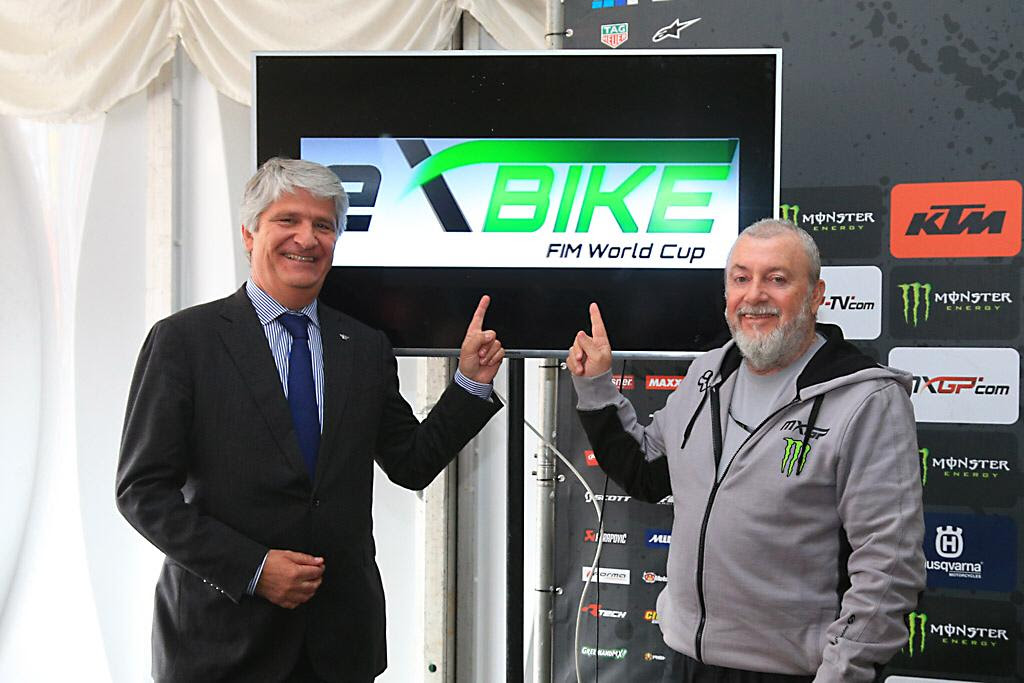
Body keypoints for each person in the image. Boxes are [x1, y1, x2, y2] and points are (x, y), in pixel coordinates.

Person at [116, 158, 504, 682]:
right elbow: (142, 492)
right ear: (249, 234)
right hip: (221, 646)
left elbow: (410, 463)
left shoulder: (364, 347)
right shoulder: (185, 341)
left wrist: (470, 383)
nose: (307, 238)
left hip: (340, 649)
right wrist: (254, 568)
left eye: (323, 225)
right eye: (288, 220)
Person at [567, 218, 924, 682]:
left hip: (793, 673)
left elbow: (889, 567)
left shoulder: (866, 399)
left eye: (777, 279)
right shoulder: (707, 374)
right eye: (741, 279)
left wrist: (843, 673)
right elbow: (644, 470)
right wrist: (596, 385)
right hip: (686, 663)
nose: (755, 295)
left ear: (816, 295)